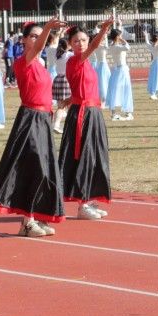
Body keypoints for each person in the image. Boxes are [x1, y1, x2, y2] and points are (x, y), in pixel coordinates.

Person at [0, 19, 68, 236]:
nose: (37, 39)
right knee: (34, 168)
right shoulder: (23, 60)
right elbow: (39, 47)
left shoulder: (41, 64)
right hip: (30, 118)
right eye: (33, 36)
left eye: (39, 36)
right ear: (23, 40)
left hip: (43, 118)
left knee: (45, 170)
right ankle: (27, 222)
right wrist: (48, 28)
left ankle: (36, 216)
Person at [59, 18, 114, 220]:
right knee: (85, 157)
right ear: (70, 44)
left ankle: (89, 199)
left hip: (93, 112)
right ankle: (82, 205)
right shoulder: (75, 60)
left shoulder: (86, 63)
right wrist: (104, 30)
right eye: (76, 41)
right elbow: (94, 46)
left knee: (96, 156)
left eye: (83, 40)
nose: (80, 44)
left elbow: (81, 89)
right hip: (83, 115)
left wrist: (68, 99)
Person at [105, 28, 134, 121]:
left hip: (116, 70)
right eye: (120, 35)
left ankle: (114, 113)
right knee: (125, 89)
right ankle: (128, 112)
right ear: (117, 36)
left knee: (114, 90)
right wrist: (122, 40)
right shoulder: (117, 47)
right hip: (122, 69)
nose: (121, 37)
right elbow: (128, 47)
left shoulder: (112, 46)